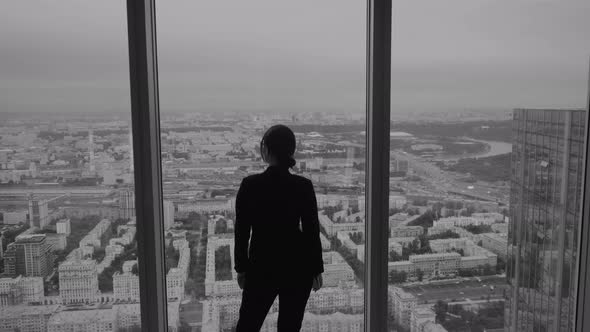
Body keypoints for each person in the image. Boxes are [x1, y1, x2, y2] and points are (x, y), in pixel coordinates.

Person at [234, 124, 324, 332]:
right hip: (297, 265)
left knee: (248, 325)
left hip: (261, 263)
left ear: (265, 149)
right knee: (290, 327)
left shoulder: (250, 185)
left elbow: (242, 231)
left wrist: (241, 267)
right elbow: (312, 231)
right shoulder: (303, 186)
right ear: (291, 151)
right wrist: (316, 268)